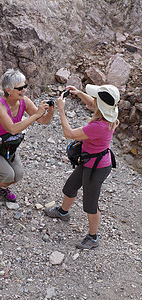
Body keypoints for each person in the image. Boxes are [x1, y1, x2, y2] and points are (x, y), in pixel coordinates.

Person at [45, 84, 120, 250]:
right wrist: (78, 93)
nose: (93, 101)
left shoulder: (98, 126)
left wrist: (61, 109)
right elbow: (94, 104)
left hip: (97, 168)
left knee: (90, 204)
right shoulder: (111, 113)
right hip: (89, 161)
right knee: (70, 187)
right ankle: (63, 212)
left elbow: (69, 134)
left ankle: (93, 238)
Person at [0, 69, 55, 208]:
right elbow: (12, 129)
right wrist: (36, 115)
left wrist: (51, 111)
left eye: (25, 86)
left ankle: (2, 187)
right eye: (20, 88)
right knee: (7, 174)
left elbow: (43, 121)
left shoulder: (24, 101)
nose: (24, 90)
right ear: (8, 90)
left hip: (6, 144)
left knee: (17, 175)